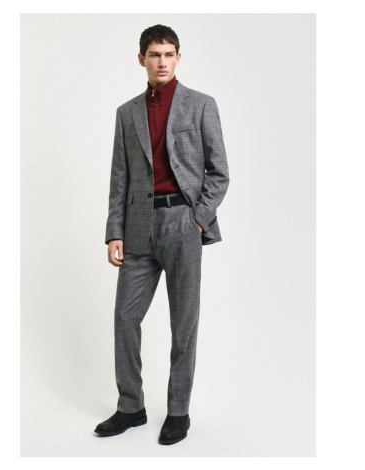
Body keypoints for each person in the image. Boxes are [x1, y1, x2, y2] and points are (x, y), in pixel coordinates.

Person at [94, 24, 230, 445]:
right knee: (124, 318)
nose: (162, 62)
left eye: (169, 54)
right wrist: (114, 232)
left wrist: (198, 218)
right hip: (138, 226)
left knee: (183, 324)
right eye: (155, 54)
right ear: (142, 59)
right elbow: (119, 178)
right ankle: (131, 406)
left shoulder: (201, 105)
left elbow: (219, 173)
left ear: (178, 57)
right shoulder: (127, 112)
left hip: (182, 224)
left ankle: (178, 411)